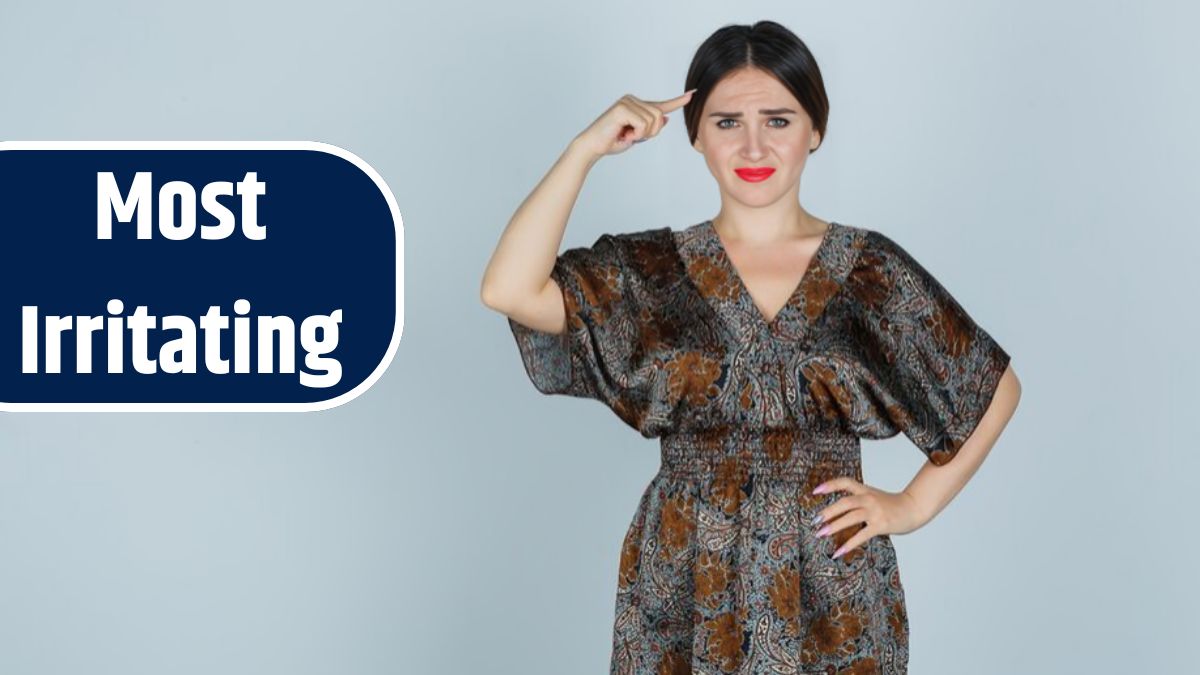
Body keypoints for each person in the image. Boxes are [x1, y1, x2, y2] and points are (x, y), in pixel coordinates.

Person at [480, 19, 1021, 675]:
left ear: (815, 129)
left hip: (831, 579)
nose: (754, 143)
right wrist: (584, 149)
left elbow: (989, 389)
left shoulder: (867, 270)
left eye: (780, 119)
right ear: (697, 134)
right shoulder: (650, 272)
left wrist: (911, 504)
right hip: (682, 576)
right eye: (727, 121)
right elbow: (508, 287)